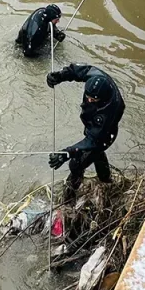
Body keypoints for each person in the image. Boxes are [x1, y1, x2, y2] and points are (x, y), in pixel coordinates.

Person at [45, 64, 125, 202]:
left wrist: (67, 153)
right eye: (87, 96)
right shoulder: (96, 76)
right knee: (97, 155)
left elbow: (92, 141)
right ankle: (106, 180)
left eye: (93, 100)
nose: (88, 100)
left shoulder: (109, 111)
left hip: (104, 135)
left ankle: (69, 197)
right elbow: (78, 71)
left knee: (76, 163)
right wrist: (59, 76)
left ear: (103, 98)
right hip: (93, 127)